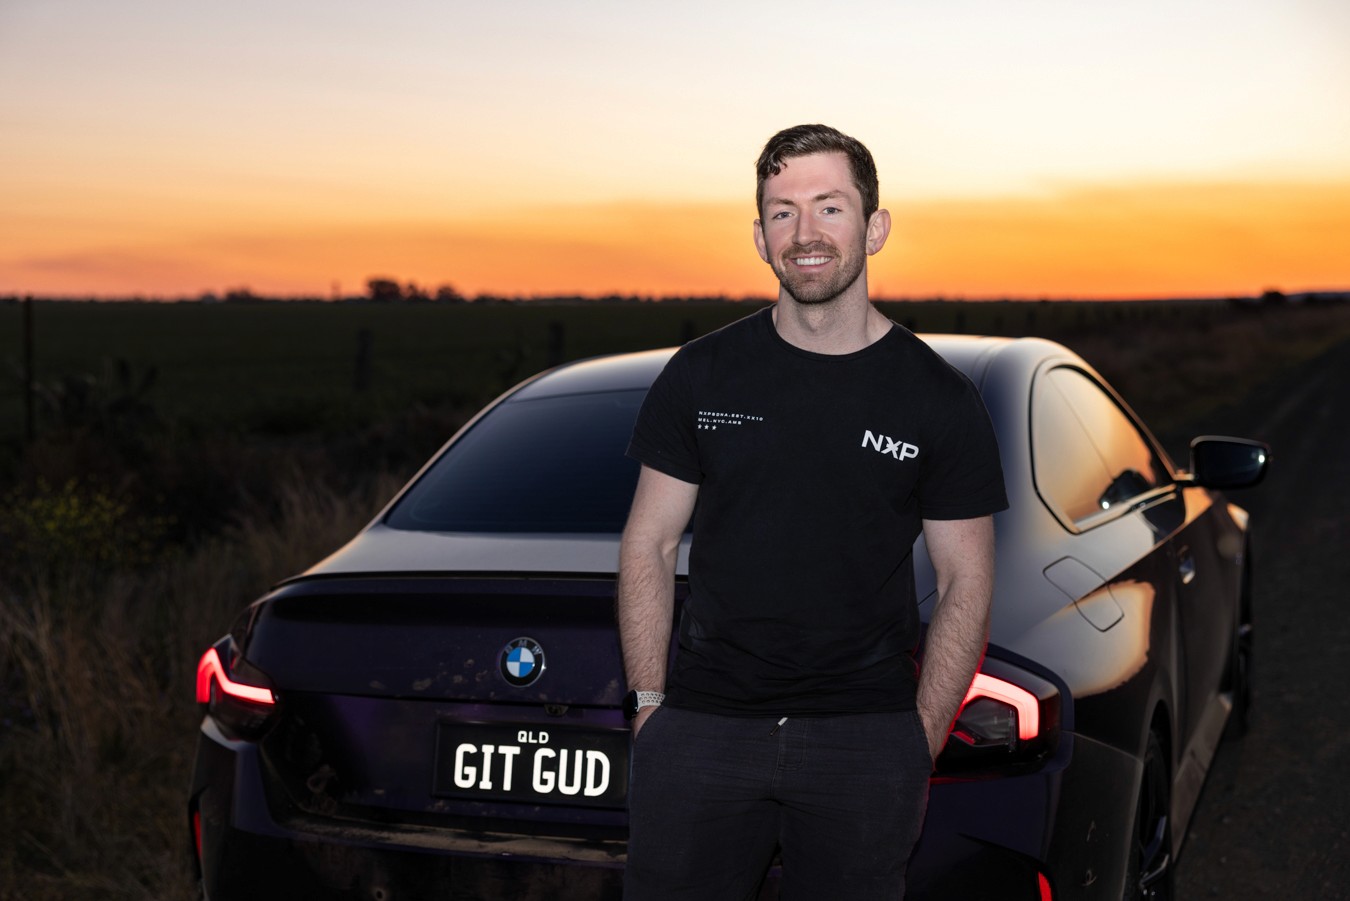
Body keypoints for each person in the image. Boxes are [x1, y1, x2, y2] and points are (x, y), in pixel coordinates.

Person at [617, 123, 1008, 900]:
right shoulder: (701, 375)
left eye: (830, 207)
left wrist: (918, 738)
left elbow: (967, 578)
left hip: (864, 739)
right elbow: (650, 543)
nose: (806, 234)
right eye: (783, 211)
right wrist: (652, 708)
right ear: (759, 237)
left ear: (875, 226)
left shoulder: (937, 397)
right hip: (703, 729)